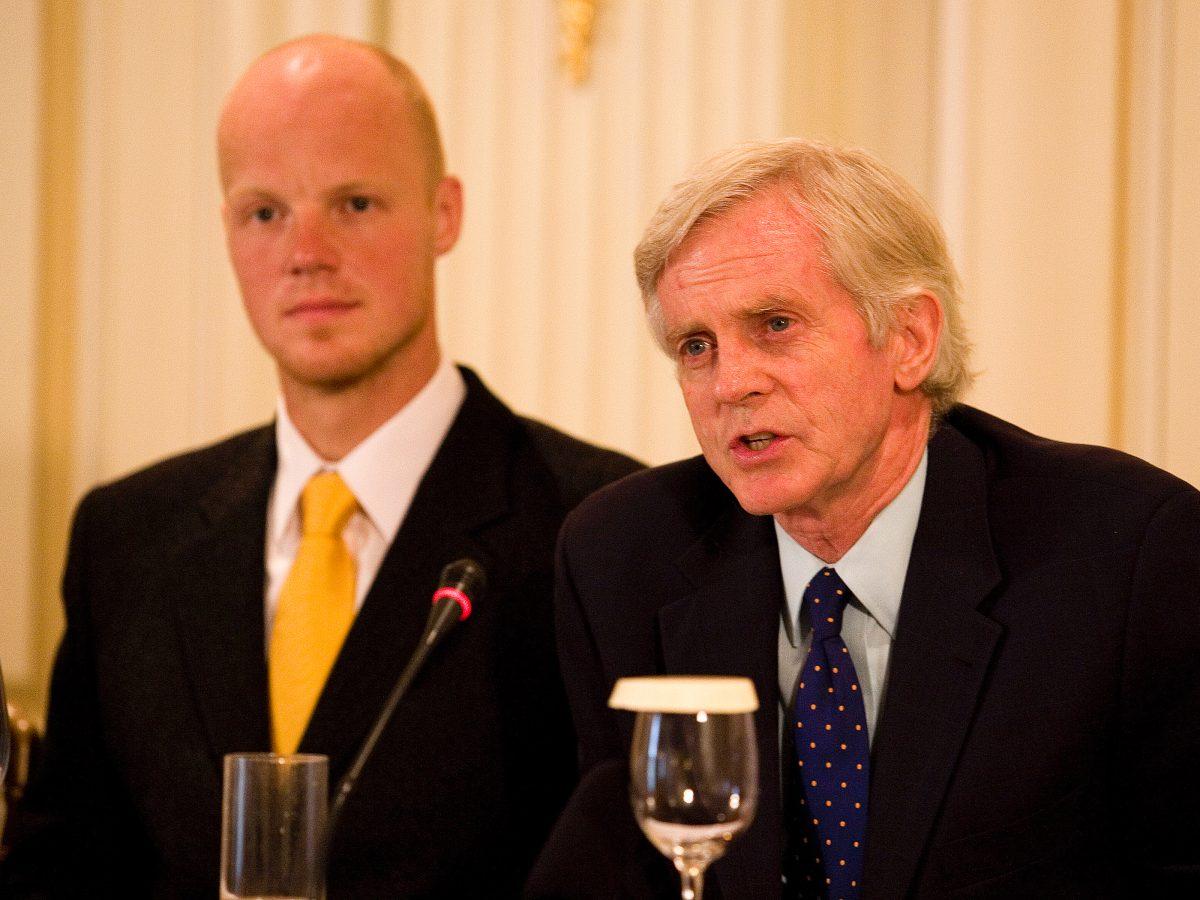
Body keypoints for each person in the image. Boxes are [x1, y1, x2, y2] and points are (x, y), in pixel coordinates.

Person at [1, 34, 640, 898]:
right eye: (264, 212)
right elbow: (65, 869)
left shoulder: (599, 527)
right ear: (226, 230)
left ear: (444, 213)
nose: (306, 252)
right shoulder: (127, 536)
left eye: (355, 204)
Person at [529, 138, 1200, 898]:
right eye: (696, 346)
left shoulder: (1129, 554)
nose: (731, 383)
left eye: (775, 324)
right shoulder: (620, 559)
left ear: (910, 339)